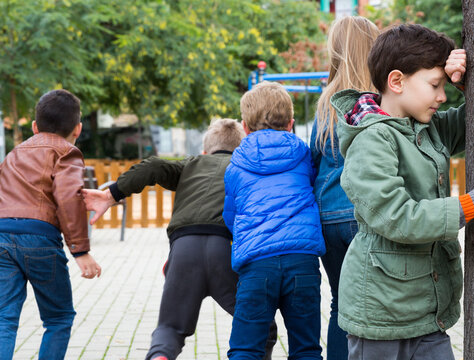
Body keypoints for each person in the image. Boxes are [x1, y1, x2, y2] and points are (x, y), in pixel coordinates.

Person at [331, 24, 474, 359]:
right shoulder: (371, 139)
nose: (442, 96)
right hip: (381, 318)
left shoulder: (426, 127)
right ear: (396, 81)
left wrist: (468, 84)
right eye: (434, 85)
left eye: (444, 86)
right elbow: (396, 216)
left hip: (428, 317)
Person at [81, 118, 277, 360]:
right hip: (225, 252)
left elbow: (151, 166)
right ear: (241, 148)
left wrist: (111, 195)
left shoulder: (190, 165)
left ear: (205, 151)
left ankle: (160, 356)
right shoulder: (245, 167)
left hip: (184, 250)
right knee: (262, 328)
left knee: (169, 329)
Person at [223, 81, 326, 360]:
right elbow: (313, 189)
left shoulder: (236, 166)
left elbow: (231, 216)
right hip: (302, 261)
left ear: (244, 127)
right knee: (306, 347)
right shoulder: (304, 155)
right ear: (291, 123)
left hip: (257, 265)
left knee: (246, 347)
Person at [0, 89, 102, 360]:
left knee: (4, 318)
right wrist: (80, 250)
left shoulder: (13, 154)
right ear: (77, 129)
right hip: (39, 239)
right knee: (58, 318)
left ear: (34, 126)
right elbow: (69, 198)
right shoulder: (67, 152)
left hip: (2, 237)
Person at [310, 16, 379, 360]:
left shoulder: (326, 103)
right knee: (375, 307)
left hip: (327, 218)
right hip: (361, 213)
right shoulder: (379, 103)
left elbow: (313, 161)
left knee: (341, 304)